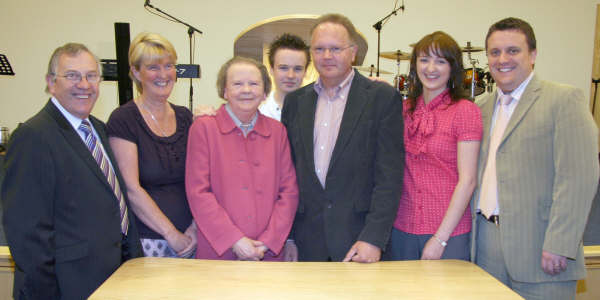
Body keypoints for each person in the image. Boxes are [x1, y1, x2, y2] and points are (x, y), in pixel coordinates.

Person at [1, 43, 141, 299]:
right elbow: (27, 233)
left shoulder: (97, 129)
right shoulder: (33, 136)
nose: (84, 85)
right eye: (72, 76)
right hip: (64, 287)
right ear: (51, 82)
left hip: (109, 278)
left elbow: (115, 203)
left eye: (91, 75)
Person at [471, 17, 598, 300]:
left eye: (513, 50)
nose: (503, 59)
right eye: (494, 52)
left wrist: (560, 243)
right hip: (484, 246)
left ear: (533, 55)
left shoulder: (564, 100)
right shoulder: (480, 107)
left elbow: (578, 179)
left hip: (541, 249)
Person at [281, 13, 404, 263]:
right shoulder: (294, 102)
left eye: (335, 48)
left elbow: (389, 177)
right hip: (307, 242)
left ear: (353, 52)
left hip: (359, 239)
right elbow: (288, 175)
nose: (327, 56)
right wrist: (289, 236)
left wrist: (373, 238)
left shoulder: (381, 97)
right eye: (320, 49)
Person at [185, 56, 299, 261]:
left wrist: (269, 241)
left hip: (268, 252)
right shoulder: (203, 129)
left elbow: (289, 192)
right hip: (219, 250)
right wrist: (234, 240)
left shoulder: (277, 131)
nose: (246, 90)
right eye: (237, 84)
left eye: (254, 83)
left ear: (264, 92)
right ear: (224, 91)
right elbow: (198, 192)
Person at [387, 31, 481, 261]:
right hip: (402, 228)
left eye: (440, 61)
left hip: (447, 232)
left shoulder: (465, 111)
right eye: (424, 59)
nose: (431, 68)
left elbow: (467, 181)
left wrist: (440, 238)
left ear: (453, 68)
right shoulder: (403, 109)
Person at [107, 32, 196, 258]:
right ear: (136, 72)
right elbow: (130, 187)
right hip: (150, 241)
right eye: (154, 67)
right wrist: (171, 234)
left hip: (193, 238)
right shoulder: (123, 119)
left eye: (169, 66)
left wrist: (195, 228)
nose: (164, 74)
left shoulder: (186, 117)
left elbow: (201, 180)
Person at [259, 33, 310, 121]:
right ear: (271, 69)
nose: (290, 75)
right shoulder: (259, 110)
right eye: (283, 68)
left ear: (305, 72)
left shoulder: (316, 110)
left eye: (297, 69)